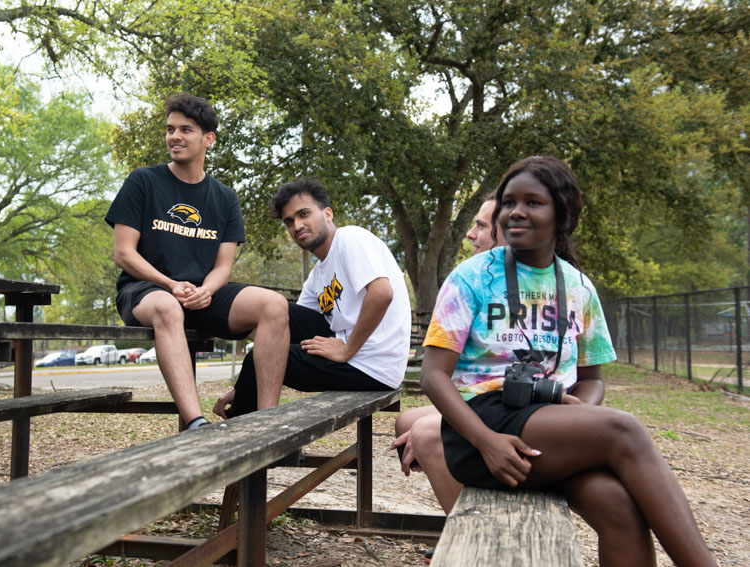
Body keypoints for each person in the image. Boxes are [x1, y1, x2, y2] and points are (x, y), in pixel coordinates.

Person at [404, 156, 716, 566]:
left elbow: (592, 379)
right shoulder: (473, 277)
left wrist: (580, 419)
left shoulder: (577, 285)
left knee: (619, 506)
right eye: (510, 202)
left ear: (562, 214)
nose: (516, 211)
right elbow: (433, 376)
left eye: (533, 202)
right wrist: (488, 442)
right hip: (484, 430)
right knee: (624, 428)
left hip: (550, 429)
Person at [105, 92, 289, 430]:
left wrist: (207, 290)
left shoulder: (224, 198)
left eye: (185, 130)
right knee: (167, 308)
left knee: (275, 305)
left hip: (201, 295)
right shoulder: (143, 181)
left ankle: (267, 424)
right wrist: (170, 284)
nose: (174, 137)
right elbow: (124, 253)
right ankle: (196, 423)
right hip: (146, 291)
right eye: (170, 129)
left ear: (208, 138)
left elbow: (223, 265)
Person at [213, 177, 411, 419]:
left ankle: (247, 445)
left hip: (372, 366)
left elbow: (382, 294)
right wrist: (243, 385)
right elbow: (283, 328)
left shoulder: (350, 238)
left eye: (304, 214)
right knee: (276, 314)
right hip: (354, 357)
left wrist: (347, 350)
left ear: (327, 214)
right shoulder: (318, 275)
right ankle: (251, 429)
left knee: (258, 359)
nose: (297, 225)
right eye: (289, 221)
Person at [392, 192, 506, 473]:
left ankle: (475, 509)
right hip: (482, 399)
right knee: (406, 422)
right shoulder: (470, 279)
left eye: (481, 226)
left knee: (423, 432)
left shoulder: (541, 285)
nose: (470, 233)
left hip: (510, 403)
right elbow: (436, 373)